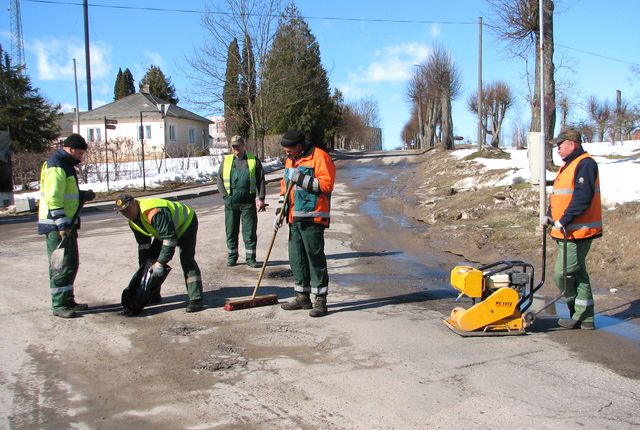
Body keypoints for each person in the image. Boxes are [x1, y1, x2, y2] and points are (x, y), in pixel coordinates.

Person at [542, 127, 602, 330]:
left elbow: (582, 198)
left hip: (578, 231)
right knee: (578, 273)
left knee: (563, 273)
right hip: (567, 231)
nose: (557, 149)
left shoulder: (585, 164)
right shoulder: (568, 166)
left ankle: (577, 313)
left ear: (572, 145)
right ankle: (585, 318)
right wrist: (550, 216)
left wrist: (564, 220)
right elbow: (560, 195)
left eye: (560, 145)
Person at [275, 131, 336, 317]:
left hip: (313, 217)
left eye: (289, 150)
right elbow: (285, 187)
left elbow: (327, 185)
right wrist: (280, 211)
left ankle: (320, 301)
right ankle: (302, 297)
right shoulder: (290, 160)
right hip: (294, 217)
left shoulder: (320, 157)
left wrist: (300, 178)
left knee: (314, 259)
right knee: (297, 259)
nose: (287, 154)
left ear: (299, 147)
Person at [38, 133, 96, 318]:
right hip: (57, 226)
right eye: (79, 153)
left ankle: (68, 299)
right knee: (60, 266)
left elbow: (67, 194)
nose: (81, 157)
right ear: (70, 150)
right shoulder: (56, 166)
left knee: (71, 263)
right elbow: (54, 198)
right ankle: (59, 305)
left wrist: (81, 195)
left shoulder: (66, 165)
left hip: (67, 225)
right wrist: (62, 225)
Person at [115, 194, 204, 313]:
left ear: (134, 203)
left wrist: (161, 262)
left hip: (185, 225)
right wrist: (144, 268)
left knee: (187, 259)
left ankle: (196, 298)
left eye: (127, 209)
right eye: (122, 211)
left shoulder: (153, 211)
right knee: (152, 260)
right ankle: (153, 294)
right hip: (164, 231)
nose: (126, 213)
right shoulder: (133, 223)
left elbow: (169, 239)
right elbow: (144, 246)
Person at [217, 135, 266, 268]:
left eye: (238, 146)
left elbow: (261, 180)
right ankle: (232, 257)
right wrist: (225, 198)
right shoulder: (226, 161)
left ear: (243, 145)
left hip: (248, 203)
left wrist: (261, 198)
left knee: (249, 232)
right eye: (233, 146)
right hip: (231, 203)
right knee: (231, 231)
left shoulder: (252, 160)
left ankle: (251, 258)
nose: (236, 148)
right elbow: (219, 180)